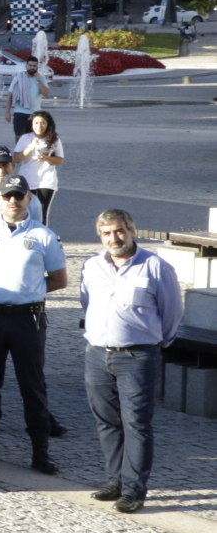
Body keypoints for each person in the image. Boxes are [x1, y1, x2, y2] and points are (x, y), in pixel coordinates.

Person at [0, 175, 69, 474]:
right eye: (7, 195)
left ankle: (40, 452)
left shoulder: (44, 235)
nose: (12, 201)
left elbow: (60, 279)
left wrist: (27, 289)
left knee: (32, 385)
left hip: (26, 318)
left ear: (29, 199)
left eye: (18, 196)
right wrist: (3, 288)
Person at [81, 209, 182, 513]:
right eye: (107, 233)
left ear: (132, 231)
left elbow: (172, 313)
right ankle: (115, 481)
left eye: (120, 231)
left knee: (136, 423)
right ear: (100, 236)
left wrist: (153, 343)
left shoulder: (155, 267)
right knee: (106, 422)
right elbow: (87, 303)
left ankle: (134, 489)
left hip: (137, 356)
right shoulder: (92, 266)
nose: (114, 238)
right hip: (98, 354)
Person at [12, 111, 64, 224]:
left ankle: (42, 238)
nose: (39, 126)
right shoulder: (25, 138)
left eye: (42, 123)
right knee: (25, 212)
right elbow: (16, 159)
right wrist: (30, 148)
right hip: (27, 180)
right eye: (36, 123)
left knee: (42, 212)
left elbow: (60, 159)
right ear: (31, 124)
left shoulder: (54, 138)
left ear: (48, 124)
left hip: (46, 180)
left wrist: (46, 158)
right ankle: (26, 237)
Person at [6, 53, 53, 140]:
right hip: (19, 113)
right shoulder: (18, 77)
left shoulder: (41, 78)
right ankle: (19, 153)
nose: (32, 67)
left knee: (34, 138)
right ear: (26, 66)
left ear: (37, 67)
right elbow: (10, 95)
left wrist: (39, 81)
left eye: (34, 66)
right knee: (19, 138)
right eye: (30, 65)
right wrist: (7, 112)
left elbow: (46, 94)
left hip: (35, 114)